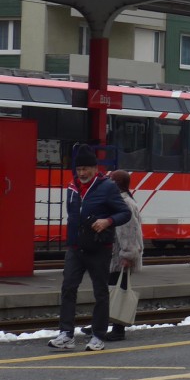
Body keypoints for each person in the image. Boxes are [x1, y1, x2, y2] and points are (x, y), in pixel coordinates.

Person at [48, 145, 131, 352]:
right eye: (79, 169)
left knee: (100, 292)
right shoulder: (72, 187)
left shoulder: (107, 187)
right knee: (68, 288)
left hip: (99, 248)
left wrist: (108, 221)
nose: (82, 173)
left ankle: (98, 335)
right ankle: (66, 334)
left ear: (95, 169)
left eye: (86, 169)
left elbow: (124, 213)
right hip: (75, 247)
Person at [94, 169, 143, 341]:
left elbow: (128, 231)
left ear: (117, 184)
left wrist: (127, 255)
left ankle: (118, 329)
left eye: (110, 179)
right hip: (116, 256)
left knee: (119, 291)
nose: (107, 182)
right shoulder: (121, 200)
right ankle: (102, 324)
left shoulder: (125, 204)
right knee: (111, 290)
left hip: (120, 257)